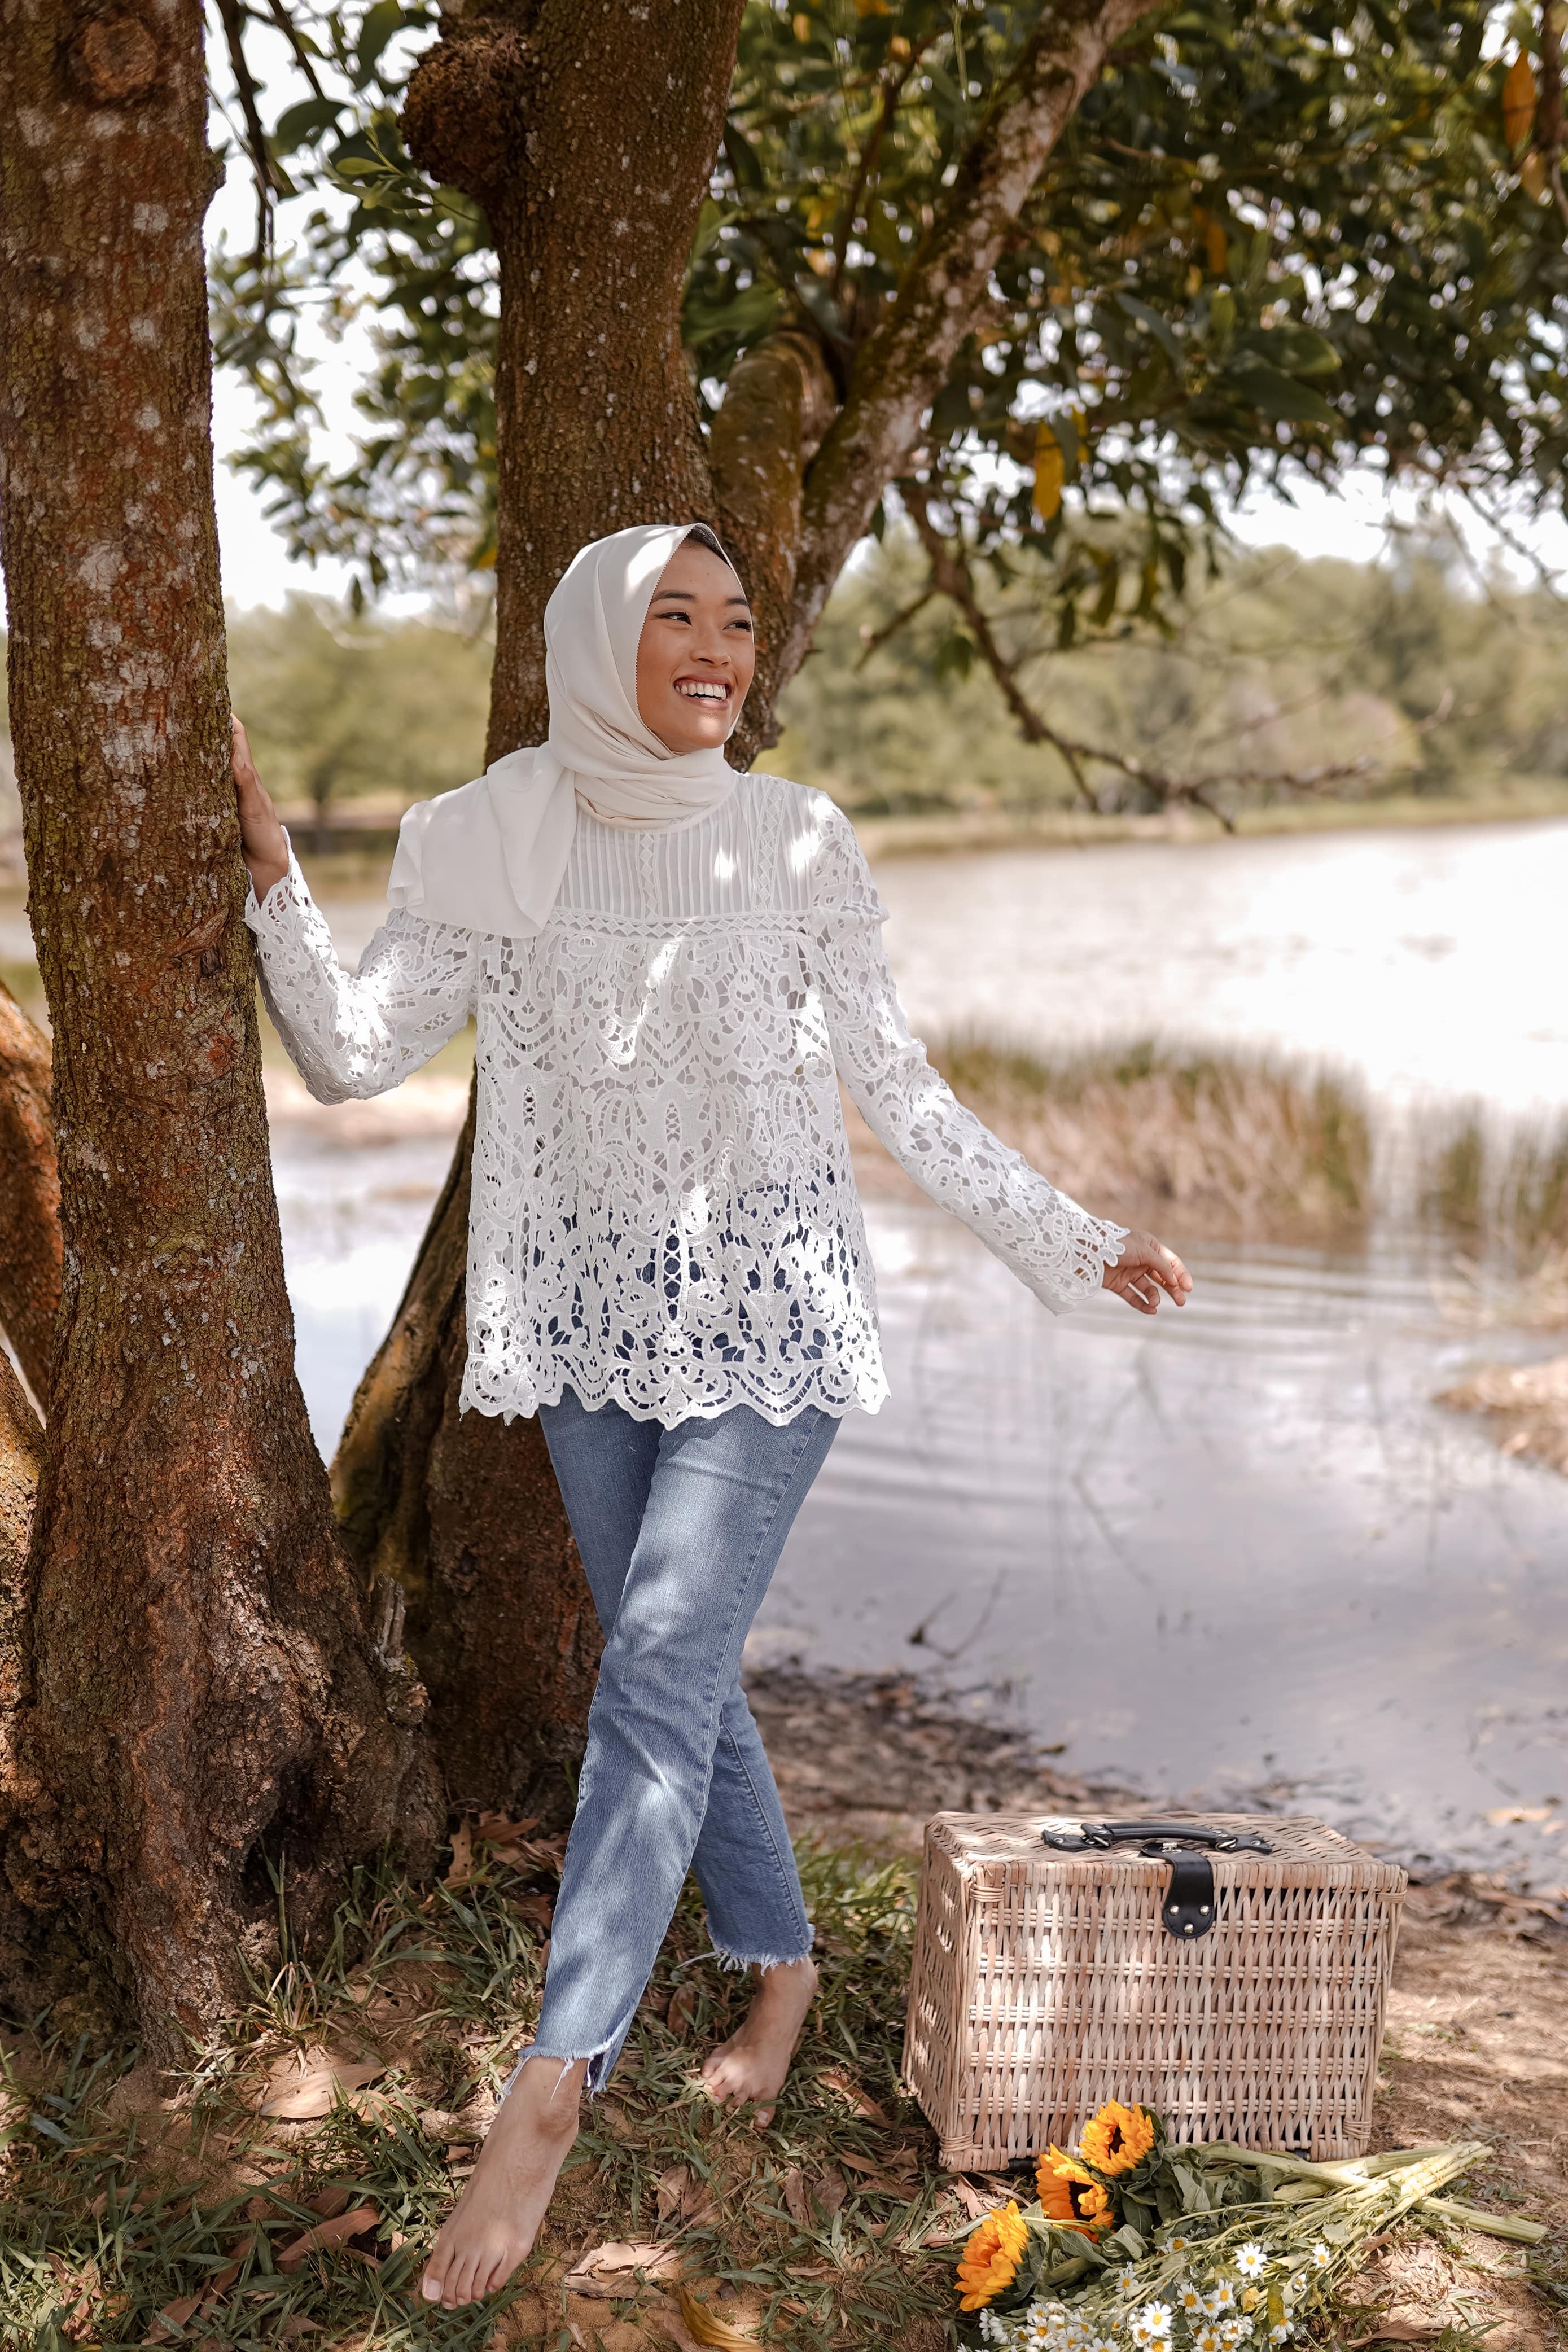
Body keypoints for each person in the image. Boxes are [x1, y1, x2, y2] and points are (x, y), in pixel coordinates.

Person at [231, 520, 1192, 2309]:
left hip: (771, 1319)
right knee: (680, 1671)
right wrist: (279, 876)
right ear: (597, 641)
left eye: (736, 622)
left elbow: (894, 1085)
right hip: (589, 1324)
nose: (714, 648)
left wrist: (1074, 1238)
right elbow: (357, 1053)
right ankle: (781, 1961)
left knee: (659, 1661)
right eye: (672, 615)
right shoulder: (484, 838)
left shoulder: (793, 841)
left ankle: (547, 2089)